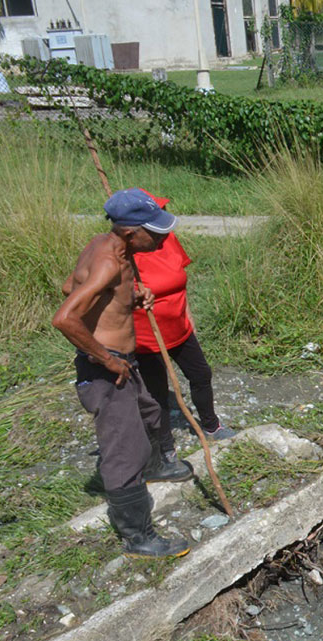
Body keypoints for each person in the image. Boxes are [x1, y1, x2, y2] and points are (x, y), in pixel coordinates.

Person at [53, 188, 192, 559]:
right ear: (131, 233)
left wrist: (131, 293)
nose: (162, 237)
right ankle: (138, 536)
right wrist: (106, 358)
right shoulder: (108, 262)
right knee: (123, 448)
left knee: (150, 410)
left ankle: (158, 465)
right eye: (154, 232)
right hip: (106, 367)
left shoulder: (107, 246)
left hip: (120, 361)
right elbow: (65, 317)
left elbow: (71, 286)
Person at [132, 190, 235, 472]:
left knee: (201, 374)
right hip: (146, 336)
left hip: (179, 326)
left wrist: (187, 314)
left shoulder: (168, 240)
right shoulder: (126, 253)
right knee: (157, 394)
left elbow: (181, 278)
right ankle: (165, 449)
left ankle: (211, 426)